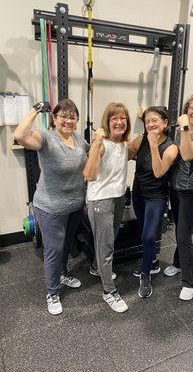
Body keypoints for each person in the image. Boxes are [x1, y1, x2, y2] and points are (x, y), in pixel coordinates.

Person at [14, 99, 89, 315]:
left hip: (75, 205)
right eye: (63, 116)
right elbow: (19, 135)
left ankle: (63, 273)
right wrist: (36, 109)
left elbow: (93, 154)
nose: (68, 120)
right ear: (54, 119)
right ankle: (52, 291)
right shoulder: (46, 138)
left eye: (72, 116)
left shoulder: (78, 139)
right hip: (50, 207)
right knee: (54, 250)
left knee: (66, 245)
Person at [163, 93, 193, 301]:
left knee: (184, 235)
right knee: (178, 228)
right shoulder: (179, 130)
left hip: (191, 192)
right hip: (175, 187)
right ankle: (177, 263)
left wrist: (184, 129)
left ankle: (189, 282)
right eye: (192, 107)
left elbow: (188, 154)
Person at [84, 102, 131, 313]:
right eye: (115, 119)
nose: (119, 122)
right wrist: (96, 142)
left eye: (123, 118)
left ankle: (96, 268)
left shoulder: (125, 145)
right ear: (108, 122)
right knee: (106, 247)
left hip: (118, 197)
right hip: (101, 200)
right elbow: (89, 175)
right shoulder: (102, 144)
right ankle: (108, 291)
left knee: (108, 241)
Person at [129, 106, 178, 298]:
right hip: (138, 193)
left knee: (149, 236)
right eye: (147, 121)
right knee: (143, 231)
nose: (150, 124)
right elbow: (125, 153)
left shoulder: (171, 147)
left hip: (156, 197)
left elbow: (158, 172)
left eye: (154, 120)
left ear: (165, 123)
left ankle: (146, 274)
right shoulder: (140, 139)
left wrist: (153, 145)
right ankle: (152, 261)